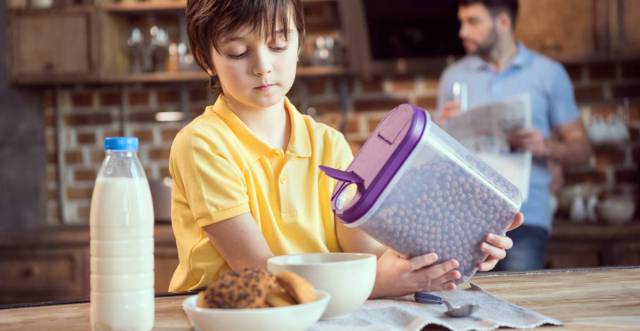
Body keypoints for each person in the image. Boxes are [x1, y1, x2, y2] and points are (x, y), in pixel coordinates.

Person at [168, 0, 523, 297]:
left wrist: (459, 249)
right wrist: (375, 284)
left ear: (298, 43)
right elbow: (260, 276)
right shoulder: (202, 145)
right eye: (238, 51)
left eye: (277, 44)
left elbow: (367, 255)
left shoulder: (328, 144)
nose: (263, 66)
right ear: (205, 59)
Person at [437, 0, 591, 271]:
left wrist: (543, 146)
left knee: (518, 300)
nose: (462, 31)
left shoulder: (549, 74)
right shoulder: (453, 77)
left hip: (524, 218)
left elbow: (582, 150)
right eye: (461, 21)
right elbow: (437, 158)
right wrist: (441, 130)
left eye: (473, 21)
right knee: (457, 300)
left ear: (503, 22)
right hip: (463, 216)